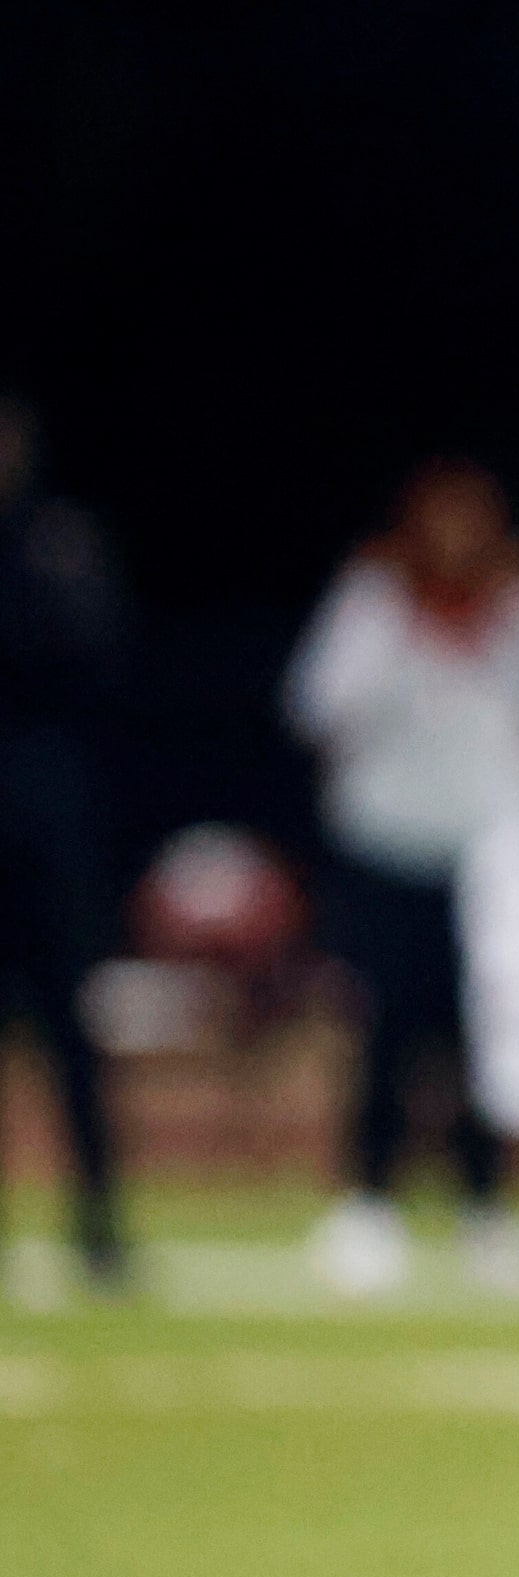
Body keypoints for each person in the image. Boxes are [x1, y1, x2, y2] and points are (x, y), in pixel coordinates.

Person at [287, 460, 519, 1295]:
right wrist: (405, 633)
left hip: (496, 856)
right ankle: (368, 1201)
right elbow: (317, 704)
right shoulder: (375, 602)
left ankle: (486, 1203)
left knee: (490, 1033)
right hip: (390, 845)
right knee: (386, 1026)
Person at [0, 395, 131, 1290]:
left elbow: (98, 658)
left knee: (68, 1029)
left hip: (43, 811)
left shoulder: (56, 545)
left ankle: (99, 1225)